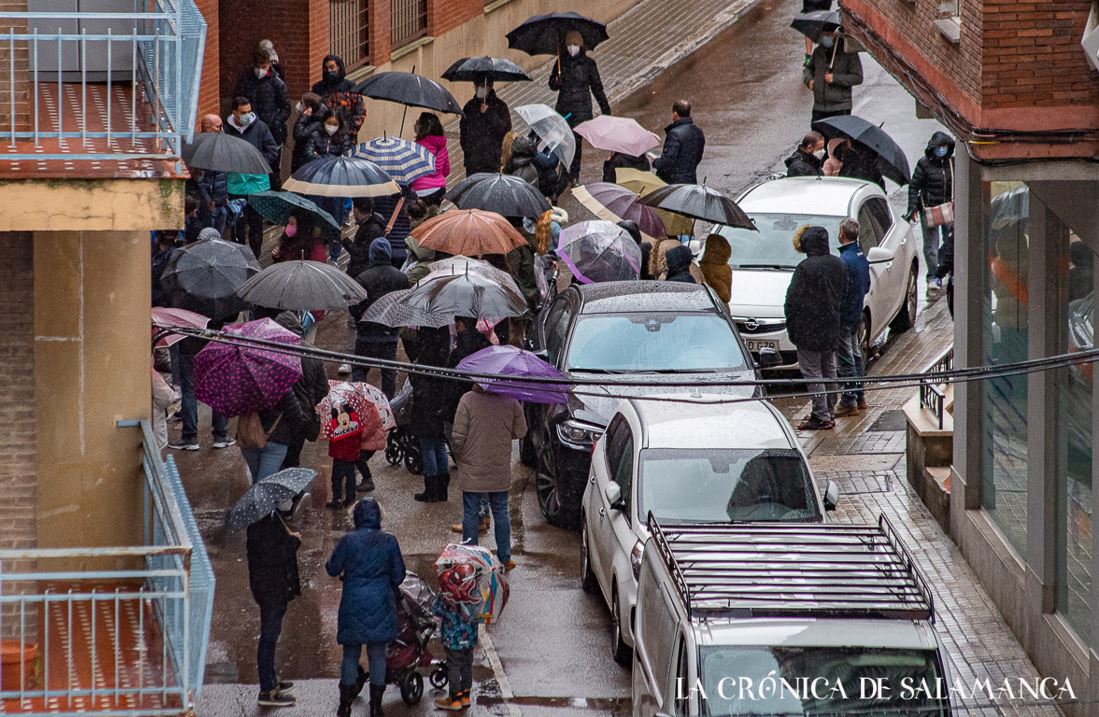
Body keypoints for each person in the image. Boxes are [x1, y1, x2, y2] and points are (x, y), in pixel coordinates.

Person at [326, 498, 406, 717]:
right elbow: (399, 575)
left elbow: (332, 569)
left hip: (353, 601)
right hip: (380, 601)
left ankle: (345, 705)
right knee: (377, 654)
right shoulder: (389, 541)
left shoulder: (348, 541)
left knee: (350, 654)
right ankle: (375, 706)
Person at [451, 384, 527, 571]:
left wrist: (461, 456)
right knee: (501, 511)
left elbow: (458, 436)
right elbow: (521, 431)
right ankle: (505, 557)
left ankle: (471, 557)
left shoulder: (467, 400)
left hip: (472, 466)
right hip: (498, 466)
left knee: (470, 512)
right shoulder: (511, 401)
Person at [784, 225, 847, 430]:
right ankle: (829, 408)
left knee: (812, 372)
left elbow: (792, 300)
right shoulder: (838, 264)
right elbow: (844, 292)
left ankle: (821, 415)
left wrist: (792, 323)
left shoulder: (805, 268)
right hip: (831, 325)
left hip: (808, 328)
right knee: (829, 368)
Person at [246, 509, 301, 708]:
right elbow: (275, 555)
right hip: (271, 589)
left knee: (272, 634)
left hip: (271, 588)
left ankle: (271, 680)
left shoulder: (267, 520)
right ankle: (267, 689)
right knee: (269, 636)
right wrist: (293, 541)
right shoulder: (262, 527)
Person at [350, 238, 411, 398]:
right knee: (388, 372)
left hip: (366, 334)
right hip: (389, 335)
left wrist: (361, 319)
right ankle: (387, 406)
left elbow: (354, 307)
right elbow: (405, 306)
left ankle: (360, 400)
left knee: (359, 369)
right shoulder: (401, 278)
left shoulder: (363, 278)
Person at [549, 30, 611, 183]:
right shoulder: (560, 62)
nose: (572, 47)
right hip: (564, 109)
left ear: (581, 45)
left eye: (575, 44)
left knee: (576, 143)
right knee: (563, 141)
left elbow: (597, 88)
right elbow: (551, 83)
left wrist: (605, 109)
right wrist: (557, 82)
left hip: (581, 111)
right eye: (569, 44)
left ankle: (574, 174)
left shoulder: (589, 64)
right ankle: (564, 172)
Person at [273, 312, 327, 470]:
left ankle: (285, 491)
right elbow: (323, 390)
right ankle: (294, 491)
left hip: (279, 416)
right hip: (304, 415)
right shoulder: (313, 352)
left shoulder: (273, 351)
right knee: (293, 457)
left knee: (278, 460)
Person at [225, 97, 278, 257]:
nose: (247, 115)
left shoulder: (261, 128)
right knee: (238, 224)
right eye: (243, 112)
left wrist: (258, 163)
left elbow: (272, 150)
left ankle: (255, 256)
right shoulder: (226, 130)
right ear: (234, 113)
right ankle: (239, 255)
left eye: (249, 111)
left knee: (256, 225)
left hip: (258, 186)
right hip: (236, 185)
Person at [904, 131, 955, 290]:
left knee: (950, 241)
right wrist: (912, 207)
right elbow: (914, 186)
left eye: (944, 147)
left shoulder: (953, 163)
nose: (942, 150)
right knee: (930, 246)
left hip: (948, 209)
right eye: (939, 147)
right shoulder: (924, 164)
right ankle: (933, 275)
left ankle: (944, 268)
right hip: (929, 210)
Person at [409, 327, 452, 503]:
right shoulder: (444, 349)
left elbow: (415, 380)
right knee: (439, 443)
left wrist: (414, 367)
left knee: (427, 444)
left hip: (425, 402)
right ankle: (442, 489)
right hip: (439, 400)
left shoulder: (426, 352)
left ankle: (431, 488)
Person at [234, 48, 290, 181]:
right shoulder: (246, 82)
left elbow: (286, 108)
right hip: (249, 128)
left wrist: (276, 122)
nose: (260, 70)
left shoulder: (277, 84)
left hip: (271, 129)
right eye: (258, 67)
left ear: (269, 65)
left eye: (263, 67)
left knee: (272, 166)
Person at [833, 219, 870, 417]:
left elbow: (841, 291)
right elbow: (867, 284)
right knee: (855, 354)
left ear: (842, 234)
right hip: (855, 313)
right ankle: (859, 395)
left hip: (845, 317)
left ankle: (849, 400)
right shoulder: (860, 255)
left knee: (846, 358)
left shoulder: (845, 260)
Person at [431, 587, 480, 711]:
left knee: (454, 665)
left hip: (453, 637)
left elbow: (437, 610)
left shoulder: (448, 588)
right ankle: (465, 697)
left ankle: (455, 699)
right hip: (470, 636)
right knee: (467, 664)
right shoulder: (475, 586)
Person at [803, 28, 863, 123]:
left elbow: (857, 77)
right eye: (824, 33)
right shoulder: (818, 52)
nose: (827, 36)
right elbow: (808, 68)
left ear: (838, 33)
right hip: (819, 108)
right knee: (816, 137)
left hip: (840, 108)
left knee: (837, 138)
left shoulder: (849, 53)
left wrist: (835, 78)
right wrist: (809, 80)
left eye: (830, 33)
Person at [459, 78, 511, 176]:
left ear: (490, 87)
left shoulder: (500, 107)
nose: (479, 89)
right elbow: (463, 134)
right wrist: (469, 152)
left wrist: (489, 114)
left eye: (482, 86)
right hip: (473, 164)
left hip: (493, 163)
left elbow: (505, 131)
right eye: (476, 85)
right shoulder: (469, 107)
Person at [312, 54, 366, 137]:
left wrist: (349, 131)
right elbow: (313, 111)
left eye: (332, 67)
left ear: (339, 67)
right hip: (323, 137)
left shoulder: (351, 87)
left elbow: (360, 112)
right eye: (326, 68)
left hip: (346, 137)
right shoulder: (318, 88)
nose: (329, 70)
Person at [653, 100, 705, 185]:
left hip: (673, 182)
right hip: (690, 180)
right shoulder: (698, 132)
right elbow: (698, 156)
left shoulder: (674, 133)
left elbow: (667, 160)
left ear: (675, 114)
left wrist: (656, 162)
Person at [326, 403, 365, 509]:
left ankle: (337, 498)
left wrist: (334, 416)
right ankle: (350, 498)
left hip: (339, 455)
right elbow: (360, 434)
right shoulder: (356, 419)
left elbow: (332, 434)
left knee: (337, 477)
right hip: (351, 454)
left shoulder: (337, 420)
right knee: (350, 475)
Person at [195, 114, 229, 233]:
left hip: (221, 201)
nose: (222, 130)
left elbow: (222, 175)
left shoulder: (220, 145)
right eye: (218, 127)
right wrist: (208, 199)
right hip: (210, 204)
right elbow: (200, 179)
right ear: (208, 128)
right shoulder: (202, 149)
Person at [410, 112, 450, 205]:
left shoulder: (416, 147)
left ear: (422, 127)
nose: (415, 124)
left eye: (417, 122)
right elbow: (446, 171)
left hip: (420, 191)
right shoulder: (442, 147)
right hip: (439, 190)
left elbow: (410, 173)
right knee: (433, 217)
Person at [344, 198, 387, 279]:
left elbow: (361, 255)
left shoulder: (372, 229)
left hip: (362, 275)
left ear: (356, 210)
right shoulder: (369, 224)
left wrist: (345, 240)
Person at [291, 93, 327, 173]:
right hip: (301, 158)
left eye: (302, 103)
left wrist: (304, 117)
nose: (299, 105)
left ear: (309, 107)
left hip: (305, 161)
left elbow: (298, 134)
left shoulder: (316, 122)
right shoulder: (312, 118)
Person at [699, 234, 732, 303]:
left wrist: (712, 279)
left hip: (714, 306)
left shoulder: (705, 269)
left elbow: (724, 295)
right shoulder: (726, 267)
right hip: (721, 307)